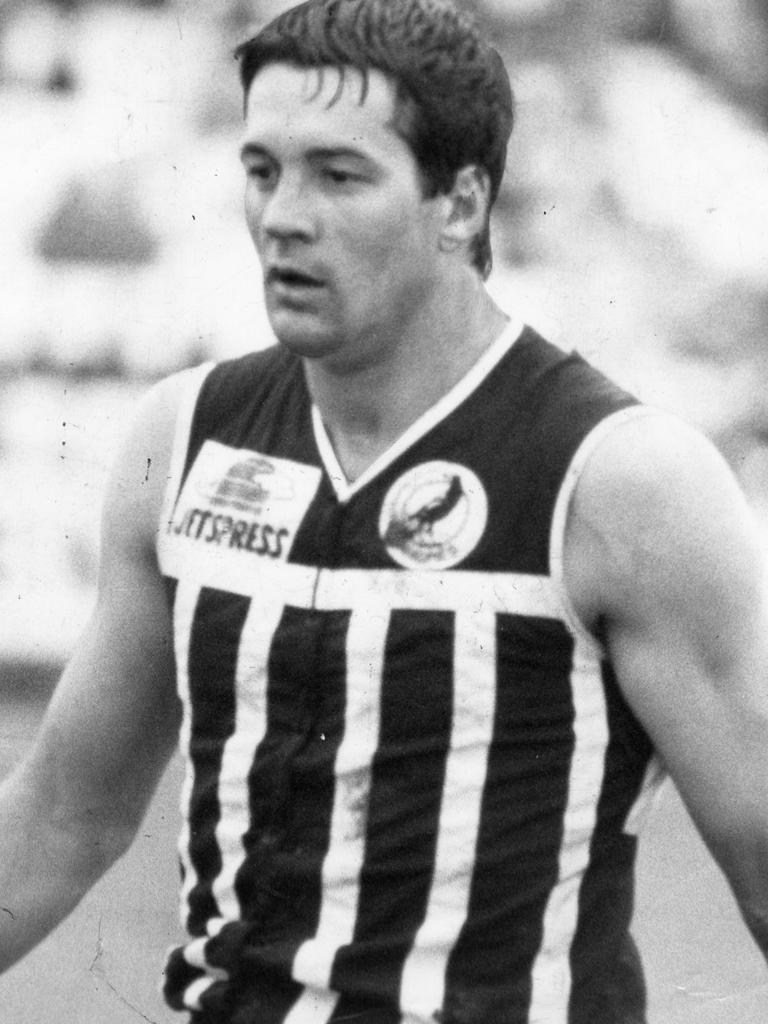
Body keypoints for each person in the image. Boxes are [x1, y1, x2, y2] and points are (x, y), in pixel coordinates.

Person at [2, 0, 767, 1021]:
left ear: (458, 203)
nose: (282, 214)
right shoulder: (184, 437)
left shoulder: (619, 478)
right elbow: (64, 813)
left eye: (339, 174)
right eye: (262, 169)